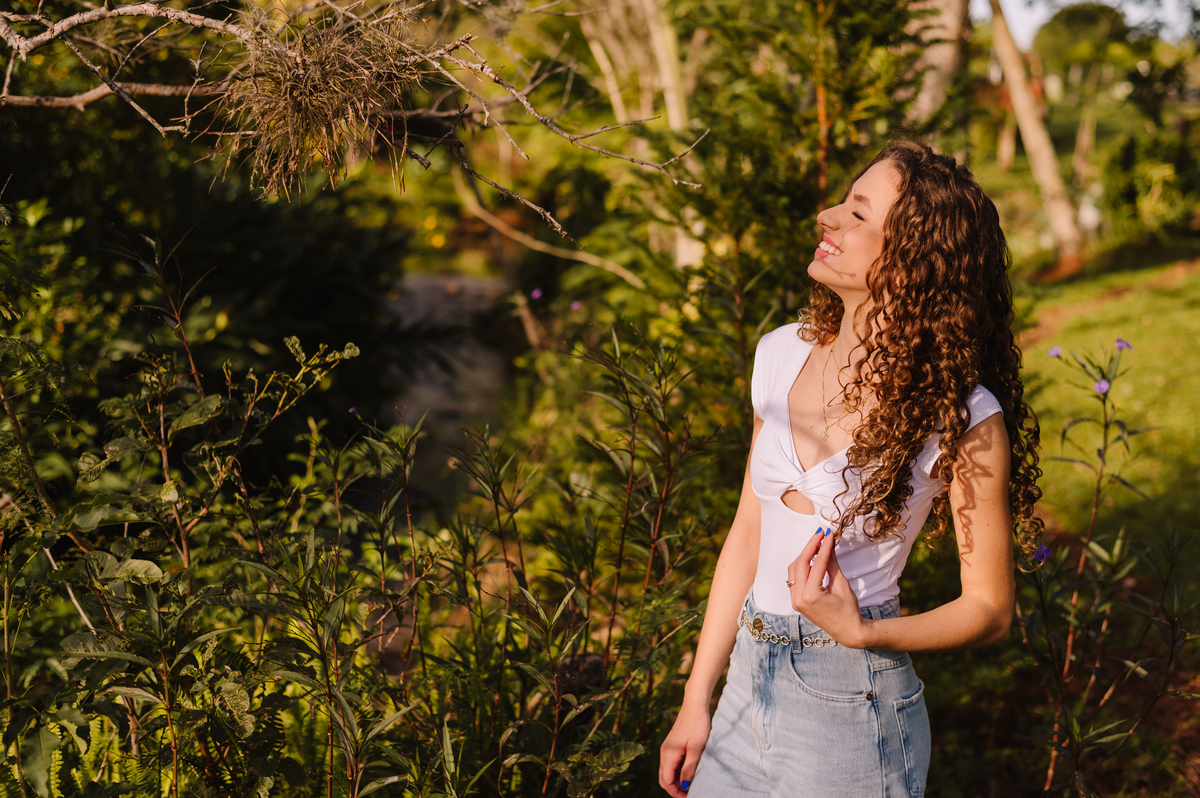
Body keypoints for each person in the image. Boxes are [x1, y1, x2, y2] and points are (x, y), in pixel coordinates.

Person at [658, 140, 1042, 797]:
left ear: (913, 259)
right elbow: (747, 533)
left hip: (849, 703)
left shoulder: (961, 415)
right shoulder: (779, 353)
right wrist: (698, 698)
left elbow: (990, 608)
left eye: (858, 213)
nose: (827, 216)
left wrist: (861, 630)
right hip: (746, 686)